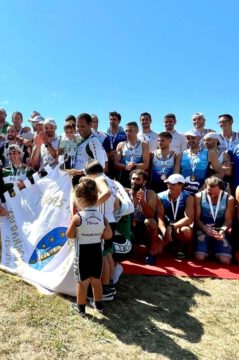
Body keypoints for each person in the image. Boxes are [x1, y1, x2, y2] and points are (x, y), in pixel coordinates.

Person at [66, 178, 113, 316]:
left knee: (82, 282)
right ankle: (98, 305)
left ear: (79, 200)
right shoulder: (101, 216)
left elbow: (70, 234)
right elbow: (109, 235)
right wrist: (98, 234)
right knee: (96, 280)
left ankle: (81, 309)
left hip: (82, 253)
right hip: (97, 251)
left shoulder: (77, 217)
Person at [83, 160, 120, 300]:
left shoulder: (99, 179)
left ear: (89, 173)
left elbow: (106, 193)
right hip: (111, 220)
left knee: (102, 256)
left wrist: (91, 206)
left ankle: (103, 289)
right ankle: (109, 284)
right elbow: (116, 205)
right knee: (108, 254)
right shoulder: (111, 180)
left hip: (103, 222)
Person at [194, 177, 234, 264]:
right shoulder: (198, 197)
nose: (212, 195)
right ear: (205, 186)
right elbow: (196, 219)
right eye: (209, 192)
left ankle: (213, 249)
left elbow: (228, 220)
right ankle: (208, 249)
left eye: (215, 193)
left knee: (225, 261)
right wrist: (205, 229)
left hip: (220, 229)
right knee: (199, 258)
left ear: (220, 188)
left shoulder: (229, 198)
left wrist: (223, 231)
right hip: (203, 228)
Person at [126, 169, 162, 265]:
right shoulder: (124, 192)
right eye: (133, 179)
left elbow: (151, 215)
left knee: (151, 222)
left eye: (138, 179)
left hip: (142, 227)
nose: (135, 181)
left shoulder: (150, 194)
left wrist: (142, 202)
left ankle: (152, 252)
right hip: (127, 226)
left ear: (144, 182)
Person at [157, 174, 195, 259]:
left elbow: (189, 218)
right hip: (165, 227)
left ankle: (180, 248)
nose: (170, 186)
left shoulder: (188, 197)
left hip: (179, 227)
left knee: (186, 231)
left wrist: (171, 227)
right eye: (168, 183)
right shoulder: (160, 196)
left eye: (173, 184)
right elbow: (159, 217)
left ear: (181, 185)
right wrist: (164, 231)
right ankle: (169, 244)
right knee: (158, 252)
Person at [180, 130, 223, 195]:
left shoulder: (210, 153)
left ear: (199, 138)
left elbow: (220, 172)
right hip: (183, 192)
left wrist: (206, 184)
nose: (190, 140)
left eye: (193, 138)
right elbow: (176, 173)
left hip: (201, 191)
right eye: (188, 138)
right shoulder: (181, 155)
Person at [69, 113, 108, 178]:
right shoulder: (79, 139)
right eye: (78, 126)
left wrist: (82, 172)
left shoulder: (94, 141)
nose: (79, 129)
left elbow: (101, 165)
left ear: (90, 125)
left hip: (88, 181)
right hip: (77, 179)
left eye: (82, 126)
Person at [113, 122, 150, 188]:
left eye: (130, 131)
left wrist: (135, 166)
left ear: (137, 131)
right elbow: (115, 163)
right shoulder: (121, 145)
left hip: (138, 177)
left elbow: (146, 165)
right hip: (123, 176)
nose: (128, 133)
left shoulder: (144, 145)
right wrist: (125, 167)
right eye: (126, 131)